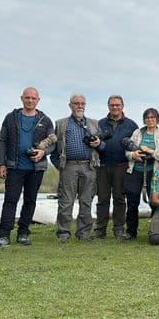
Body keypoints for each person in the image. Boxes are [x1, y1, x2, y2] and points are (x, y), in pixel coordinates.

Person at [0, 87, 55, 248]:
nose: (30, 101)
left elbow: (53, 143)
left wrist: (43, 152)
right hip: (14, 166)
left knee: (30, 201)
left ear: (38, 100)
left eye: (33, 98)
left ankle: (23, 233)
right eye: (27, 98)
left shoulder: (45, 120)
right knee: (10, 200)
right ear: (22, 98)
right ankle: (3, 235)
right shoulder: (11, 118)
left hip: (36, 168)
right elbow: (3, 141)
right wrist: (1, 163)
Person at [51, 94, 101, 242]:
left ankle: (84, 233)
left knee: (86, 201)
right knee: (66, 201)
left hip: (89, 166)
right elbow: (54, 149)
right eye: (76, 103)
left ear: (85, 105)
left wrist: (99, 144)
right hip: (69, 166)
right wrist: (60, 166)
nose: (79, 106)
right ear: (70, 105)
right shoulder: (61, 124)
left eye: (82, 103)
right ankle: (63, 233)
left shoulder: (94, 124)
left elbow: (102, 147)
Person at [94, 95, 138, 239]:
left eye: (117, 105)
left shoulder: (131, 125)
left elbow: (135, 145)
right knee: (102, 198)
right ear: (108, 106)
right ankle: (100, 229)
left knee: (119, 198)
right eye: (112, 105)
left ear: (122, 106)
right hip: (102, 165)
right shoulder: (99, 123)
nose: (115, 107)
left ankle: (119, 228)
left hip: (122, 165)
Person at [124, 107, 159, 240]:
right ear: (144, 120)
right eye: (147, 118)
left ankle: (156, 230)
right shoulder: (137, 133)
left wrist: (150, 151)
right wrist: (134, 155)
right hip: (135, 171)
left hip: (154, 173)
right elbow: (127, 151)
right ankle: (131, 232)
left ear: (157, 119)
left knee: (155, 202)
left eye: (153, 117)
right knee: (132, 202)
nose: (150, 120)